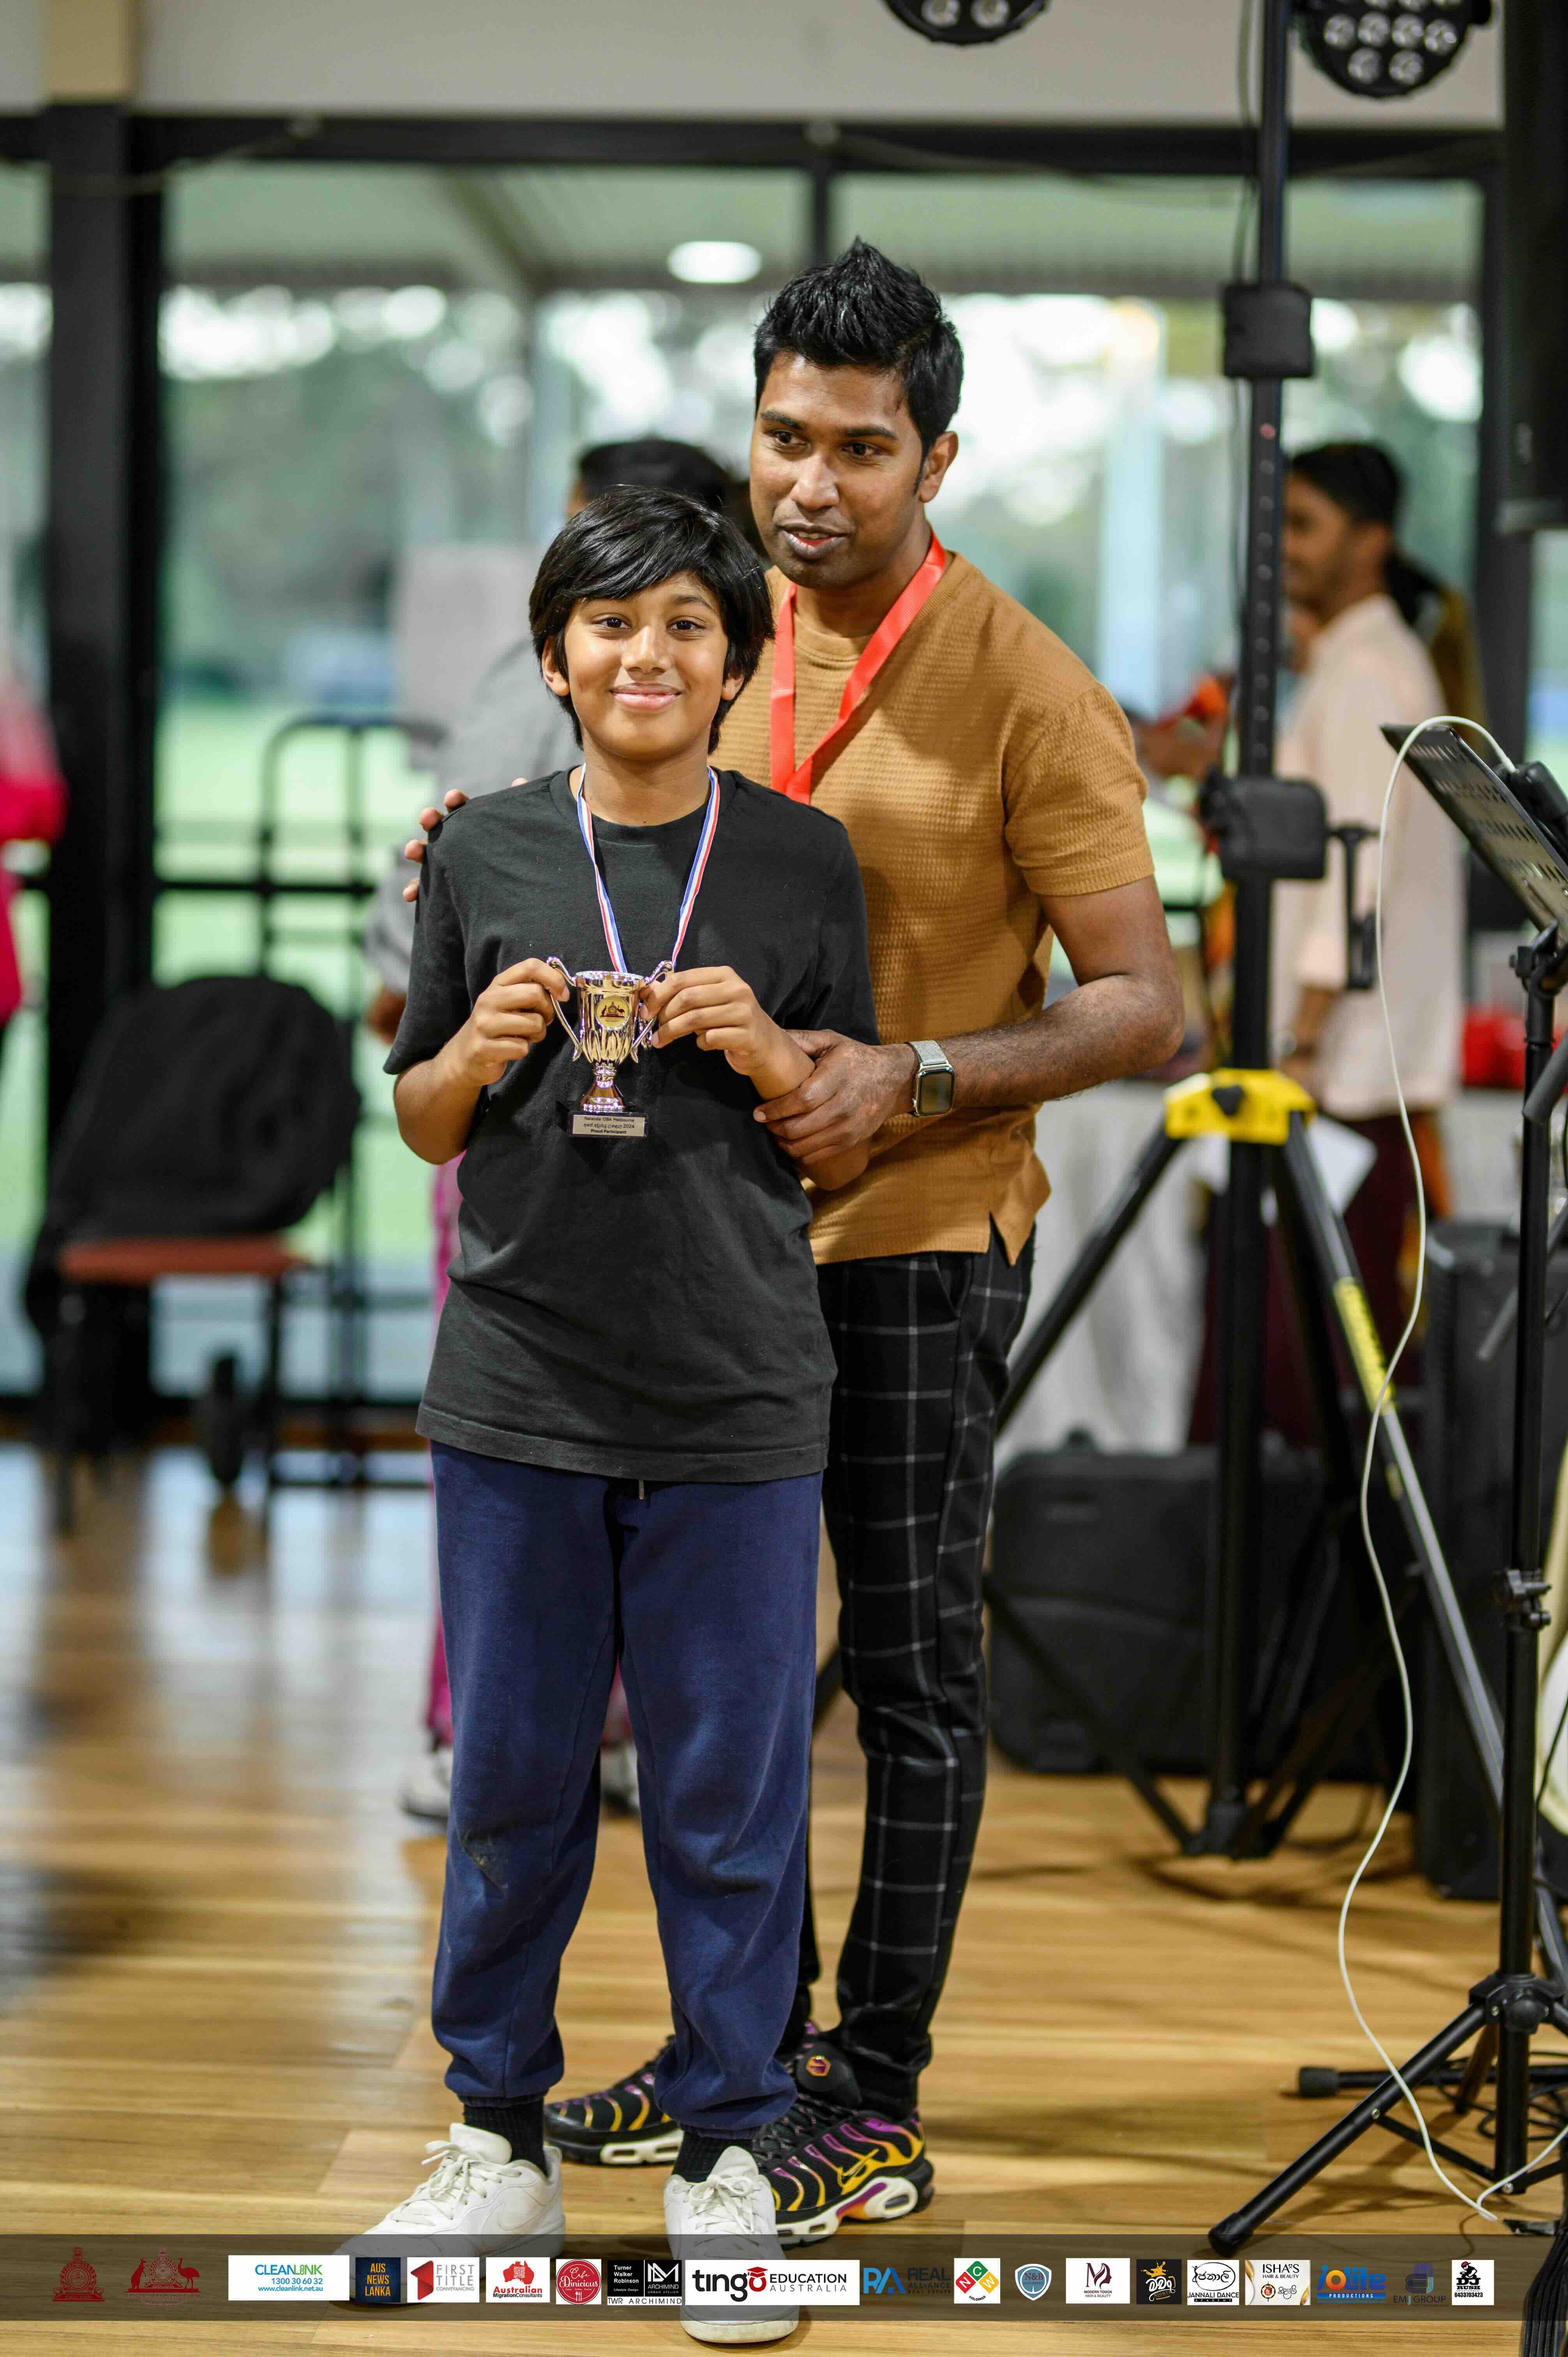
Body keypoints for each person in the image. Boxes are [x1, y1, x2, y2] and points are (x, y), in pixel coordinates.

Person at [403, 241, 1183, 2241]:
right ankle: (732, 2052)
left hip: (914, 1229)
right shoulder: (719, 632)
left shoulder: (1027, 687)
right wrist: (483, 866)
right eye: (782, 437)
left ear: (937, 458)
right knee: (711, 1699)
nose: (810, 482)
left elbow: (1138, 1004)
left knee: (905, 1673)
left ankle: (870, 2083)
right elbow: (622, 823)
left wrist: (911, 1073)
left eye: (860, 447)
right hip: (680, 1254)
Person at [360, 487, 877, 2345]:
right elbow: (416, 1114)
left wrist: (762, 1047)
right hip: (515, 1390)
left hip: (740, 1392)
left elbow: (843, 1122)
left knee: (728, 1798)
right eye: (606, 623)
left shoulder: (806, 862)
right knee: (509, 1778)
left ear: (736, 661)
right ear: (555, 653)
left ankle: (727, 2154)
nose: (643, 655)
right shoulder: (483, 849)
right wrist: (473, 1052)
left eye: (682, 625)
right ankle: (494, 2127)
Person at [364, 437, 735, 1825]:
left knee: (583, 1441)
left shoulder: (666, 682)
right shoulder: (568, 694)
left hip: (643, 1142)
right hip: (525, 1120)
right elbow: (414, 926)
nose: (629, 635)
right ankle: (509, 1728)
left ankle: (550, 1728)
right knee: (517, 1437)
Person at [1272, 440, 1464, 1358]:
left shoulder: (1365, 675)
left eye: (1304, 527)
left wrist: (1300, 1044)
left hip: (1338, 1078)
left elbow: (1358, 871)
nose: (1284, 549)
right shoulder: (1358, 663)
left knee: (1317, 1371)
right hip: (1343, 1073)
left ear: (1371, 542)